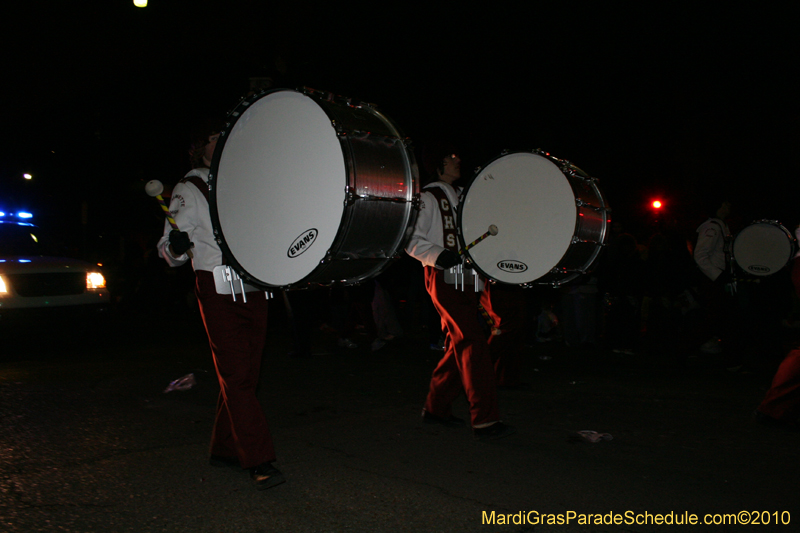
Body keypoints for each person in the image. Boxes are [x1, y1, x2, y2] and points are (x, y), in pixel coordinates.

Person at [157, 121, 284, 490]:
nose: (221, 141)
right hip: (216, 286)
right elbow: (169, 247)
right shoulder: (190, 187)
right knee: (238, 374)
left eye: (223, 135)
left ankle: (225, 448)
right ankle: (258, 458)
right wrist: (176, 248)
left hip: (253, 287)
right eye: (213, 138)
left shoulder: (241, 181)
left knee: (247, 375)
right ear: (200, 147)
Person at [405, 142, 515, 440]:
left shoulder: (466, 196)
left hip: (469, 278)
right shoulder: (428, 197)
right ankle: (485, 419)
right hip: (443, 277)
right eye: (451, 157)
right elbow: (411, 238)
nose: (458, 160)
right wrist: (437, 255)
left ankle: (436, 407)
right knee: (472, 342)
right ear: (437, 164)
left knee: (460, 344)